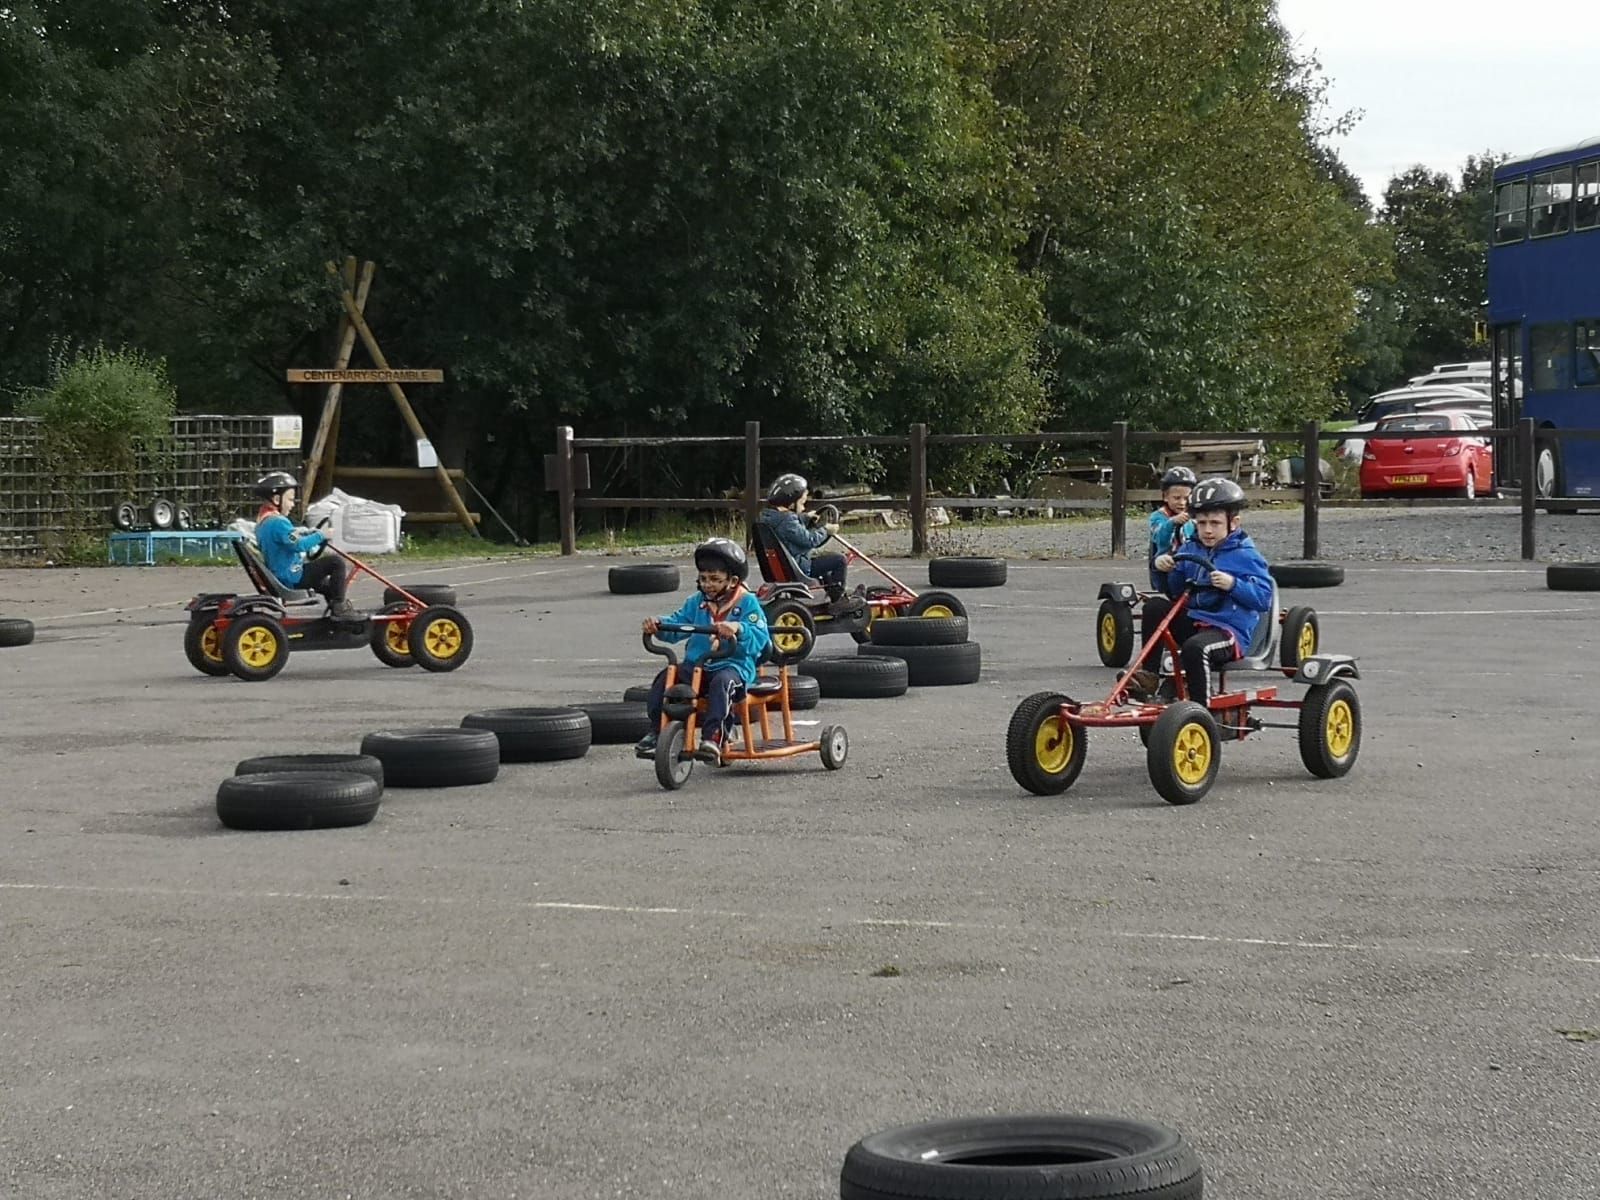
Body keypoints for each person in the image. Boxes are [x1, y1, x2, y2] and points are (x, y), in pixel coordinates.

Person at [1127, 477, 1272, 705]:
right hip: (1196, 621)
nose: (1207, 530)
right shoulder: (1191, 548)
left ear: (1233, 523)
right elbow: (1175, 593)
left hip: (1228, 630)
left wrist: (1233, 584)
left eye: (1215, 523)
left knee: (1196, 648)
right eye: (1201, 523)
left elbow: (1264, 599)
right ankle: (1149, 676)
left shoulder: (1246, 555)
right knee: (1155, 607)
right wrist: (1166, 567)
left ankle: (1200, 709)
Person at [636, 538, 772, 765]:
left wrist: (738, 628)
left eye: (715, 580)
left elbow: (760, 636)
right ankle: (657, 730)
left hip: (733, 667)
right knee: (665, 679)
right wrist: (658, 625)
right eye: (704, 579)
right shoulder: (697, 602)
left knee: (723, 683)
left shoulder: (748, 603)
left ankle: (714, 738)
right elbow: (677, 626)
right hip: (698, 666)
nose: (708, 585)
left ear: (733, 580)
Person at [252, 471, 359, 619]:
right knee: (336, 562)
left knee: (329, 586)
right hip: (292, 576)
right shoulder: (278, 522)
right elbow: (299, 546)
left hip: (282, 574)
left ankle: (337, 615)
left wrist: (309, 533)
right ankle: (340, 608)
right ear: (277, 499)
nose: (292, 504)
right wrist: (321, 535)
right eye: (290, 499)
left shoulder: (263, 521)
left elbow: (288, 537)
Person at [758, 472, 854, 613]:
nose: (803, 507)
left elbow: (788, 528)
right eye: (802, 503)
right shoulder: (788, 521)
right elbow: (809, 540)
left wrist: (805, 518)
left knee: (825, 563)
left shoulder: (769, 517)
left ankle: (832, 593)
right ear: (791, 504)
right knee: (839, 560)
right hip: (799, 566)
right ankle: (838, 601)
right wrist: (826, 530)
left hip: (786, 564)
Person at [1148, 466, 1196, 591]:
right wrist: (1172, 522)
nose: (1182, 503)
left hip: (1191, 562)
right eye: (1177, 498)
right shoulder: (1157, 517)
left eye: (1186, 498)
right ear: (1165, 497)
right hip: (1166, 565)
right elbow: (1161, 539)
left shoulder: (1193, 518)